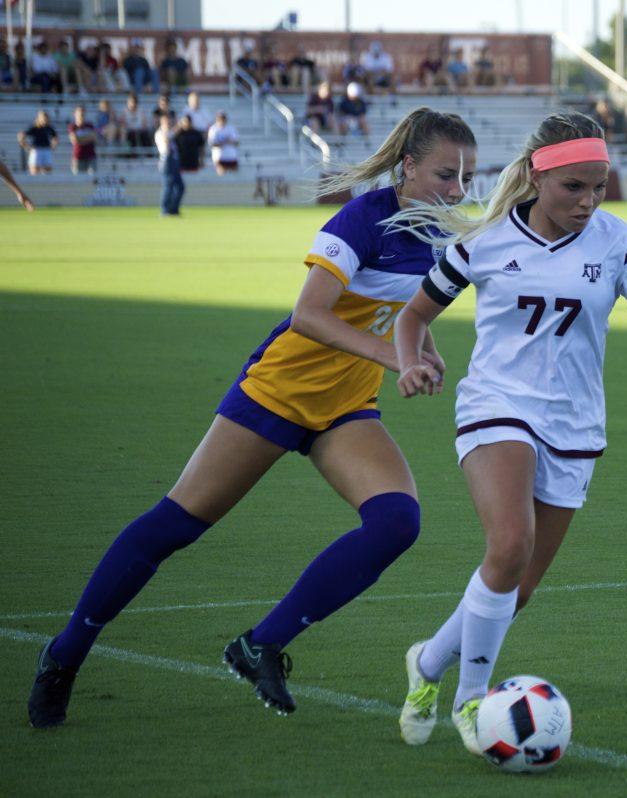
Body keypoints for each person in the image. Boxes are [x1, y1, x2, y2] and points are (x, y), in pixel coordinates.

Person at [26, 107, 480, 729]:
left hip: (344, 408)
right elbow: (308, 315)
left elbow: (410, 314)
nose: (458, 191)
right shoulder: (361, 219)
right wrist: (395, 357)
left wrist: (424, 351)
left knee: (397, 521)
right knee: (174, 526)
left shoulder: (436, 232)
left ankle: (260, 643)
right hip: (277, 393)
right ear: (407, 167)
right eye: (445, 175)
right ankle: (63, 656)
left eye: (466, 179)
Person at [389, 112, 627, 756]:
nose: (588, 202)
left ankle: (427, 664)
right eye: (574, 189)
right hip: (496, 405)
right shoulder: (485, 243)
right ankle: (470, 704)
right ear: (539, 176)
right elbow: (414, 315)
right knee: (508, 544)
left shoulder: (619, 244)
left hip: (575, 424)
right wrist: (412, 359)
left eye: (599, 187)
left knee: (518, 585)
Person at [155, 112, 184, 216]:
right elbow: (166, 142)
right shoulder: (160, 133)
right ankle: (164, 210)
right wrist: (176, 128)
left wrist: (179, 125)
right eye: (166, 121)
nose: (169, 123)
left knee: (180, 186)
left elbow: (175, 132)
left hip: (174, 160)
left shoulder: (169, 132)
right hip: (167, 160)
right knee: (168, 186)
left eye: (169, 121)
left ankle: (174, 209)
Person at [18, 110, 58, 175]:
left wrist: (53, 146)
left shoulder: (49, 128)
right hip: (36, 150)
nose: (45, 119)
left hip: (46, 150)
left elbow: (55, 137)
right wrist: (25, 146)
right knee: (35, 172)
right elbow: (21, 135)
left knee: (48, 172)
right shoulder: (34, 128)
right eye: (43, 118)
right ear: (39, 118)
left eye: (46, 118)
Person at [67, 105, 98, 175]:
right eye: (79, 112)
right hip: (78, 157)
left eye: (83, 112)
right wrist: (88, 138)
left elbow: (94, 137)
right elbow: (74, 140)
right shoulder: (72, 126)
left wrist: (80, 140)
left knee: (92, 179)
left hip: (91, 156)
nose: (81, 114)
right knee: (78, 181)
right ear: (75, 114)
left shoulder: (90, 125)